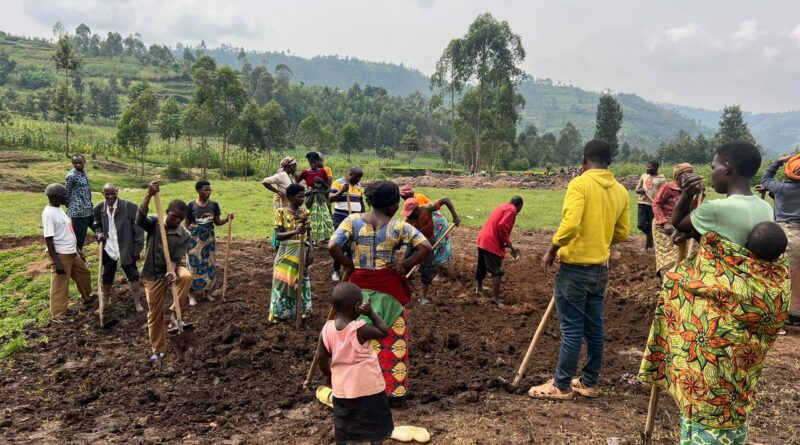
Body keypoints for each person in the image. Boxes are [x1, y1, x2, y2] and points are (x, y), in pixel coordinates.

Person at [639, 142, 784, 444]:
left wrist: (689, 194)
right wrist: (694, 230)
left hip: (716, 322)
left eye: (715, 166)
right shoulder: (763, 206)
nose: (712, 172)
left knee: (707, 394)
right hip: (745, 323)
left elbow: (677, 224)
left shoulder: (716, 209)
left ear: (727, 169)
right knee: (731, 393)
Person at [529, 139, 629, 401]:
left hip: (574, 270)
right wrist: (599, 240)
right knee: (594, 327)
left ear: (584, 160)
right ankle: (588, 382)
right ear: (609, 162)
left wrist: (552, 249)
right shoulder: (620, 190)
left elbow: (571, 224)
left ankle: (561, 385)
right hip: (600, 270)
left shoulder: (580, 183)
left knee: (572, 328)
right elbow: (622, 232)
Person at [329, 181, 432, 402]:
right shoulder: (399, 226)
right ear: (393, 206)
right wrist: (404, 265)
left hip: (357, 290)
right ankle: (392, 392)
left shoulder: (352, 221)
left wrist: (349, 263)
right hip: (389, 291)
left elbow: (332, 246)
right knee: (392, 339)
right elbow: (426, 246)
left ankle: (359, 388)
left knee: (358, 338)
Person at [317, 282, 394, 445]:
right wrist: (371, 313)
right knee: (375, 425)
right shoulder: (359, 328)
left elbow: (321, 358)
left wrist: (328, 375)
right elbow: (384, 331)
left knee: (345, 423)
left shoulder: (327, 329)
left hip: (343, 389)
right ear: (358, 306)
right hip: (369, 388)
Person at [136, 181, 192, 360]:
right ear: (167, 212)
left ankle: (175, 313)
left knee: (186, 276)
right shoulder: (155, 222)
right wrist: (149, 194)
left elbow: (176, 257)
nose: (177, 221)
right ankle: (158, 349)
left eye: (181, 219)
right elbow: (139, 219)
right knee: (155, 313)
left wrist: (173, 271)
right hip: (152, 275)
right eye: (174, 217)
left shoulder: (185, 234)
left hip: (170, 270)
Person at [759, 154, 800, 325]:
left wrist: (777, 162)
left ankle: (785, 313)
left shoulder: (780, 188)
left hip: (784, 234)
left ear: (788, 172)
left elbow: (766, 178)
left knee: (783, 274)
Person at [42, 183, 92, 322]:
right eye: (64, 194)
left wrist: (77, 249)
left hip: (71, 252)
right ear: (56, 197)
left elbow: (67, 232)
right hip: (61, 255)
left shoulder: (59, 209)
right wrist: (57, 263)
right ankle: (58, 315)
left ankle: (86, 298)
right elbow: (49, 240)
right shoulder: (49, 214)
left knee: (84, 274)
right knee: (60, 285)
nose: (67, 196)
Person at [93, 183, 145, 312]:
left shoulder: (130, 207)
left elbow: (138, 229)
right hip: (109, 247)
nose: (110, 196)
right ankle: (104, 303)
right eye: (107, 194)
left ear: (117, 192)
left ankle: (137, 301)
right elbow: (97, 224)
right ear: (102, 194)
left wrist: (137, 249)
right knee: (107, 275)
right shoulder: (99, 208)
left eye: (113, 193)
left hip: (126, 246)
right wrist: (98, 233)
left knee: (133, 274)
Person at [401, 196, 461, 304]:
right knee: (405, 264)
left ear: (416, 210)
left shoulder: (426, 208)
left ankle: (423, 297)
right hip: (413, 242)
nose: (409, 215)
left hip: (428, 242)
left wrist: (455, 216)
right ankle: (402, 289)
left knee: (426, 268)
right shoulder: (407, 221)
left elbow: (446, 200)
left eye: (410, 213)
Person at [270, 184, 313, 322]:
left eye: (304, 196)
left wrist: (311, 251)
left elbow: (309, 234)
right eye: (299, 196)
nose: (302, 199)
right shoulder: (281, 212)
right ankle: (280, 313)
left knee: (300, 281)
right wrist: (296, 232)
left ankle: (300, 312)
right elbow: (278, 236)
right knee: (283, 281)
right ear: (290, 197)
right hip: (286, 251)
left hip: (302, 250)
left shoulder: (305, 213)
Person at [185, 180, 233, 306]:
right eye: (205, 190)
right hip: (195, 241)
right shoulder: (191, 206)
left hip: (209, 241)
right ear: (198, 191)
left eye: (209, 190)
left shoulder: (214, 205)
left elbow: (217, 222)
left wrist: (227, 220)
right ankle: (191, 294)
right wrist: (186, 242)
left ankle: (207, 293)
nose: (208, 192)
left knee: (209, 265)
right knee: (193, 266)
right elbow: (186, 225)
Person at [651, 163, 699, 276]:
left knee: (681, 256)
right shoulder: (668, 187)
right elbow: (656, 204)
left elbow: (695, 208)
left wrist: (699, 194)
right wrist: (664, 223)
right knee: (668, 256)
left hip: (681, 225)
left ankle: (677, 278)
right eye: (684, 174)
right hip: (663, 226)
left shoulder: (692, 190)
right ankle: (667, 277)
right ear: (677, 177)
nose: (688, 176)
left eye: (690, 174)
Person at [475, 197, 523, 307]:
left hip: (483, 238)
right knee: (496, 271)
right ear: (519, 206)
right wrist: (506, 242)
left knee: (481, 266)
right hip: (491, 241)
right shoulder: (512, 210)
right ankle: (495, 299)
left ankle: (479, 288)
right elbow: (502, 226)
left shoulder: (502, 206)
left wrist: (506, 242)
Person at [400, 185, 453, 281]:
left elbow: (445, 200)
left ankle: (438, 273)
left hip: (436, 223)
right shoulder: (409, 212)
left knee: (436, 248)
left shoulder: (420, 205)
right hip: (422, 229)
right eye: (401, 196)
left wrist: (455, 217)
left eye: (403, 196)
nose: (402, 198)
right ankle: (407, 275)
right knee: (409, 254)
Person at [329, 167, 365, 282]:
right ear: (349, 175)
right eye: (355, 177)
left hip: (357, 219)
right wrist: (342, 191)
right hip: (341, 218)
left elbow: (360, 201)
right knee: (340, 245)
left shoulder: (359, 185)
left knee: (354, 244)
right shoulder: (338, 183)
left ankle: (349, 270)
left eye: (359, 178)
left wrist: (363, 216)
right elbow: (330, 199)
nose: (357, 180)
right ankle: (335, 270)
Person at [299, 152, 334, 244]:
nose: (313, 164)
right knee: (311, 219)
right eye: (311, 163)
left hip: (321, 198)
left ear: (318, 162)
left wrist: (322, 181)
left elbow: (327, 187)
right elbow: (296, 181)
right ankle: (311, 239)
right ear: (309, 163)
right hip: (310, 199)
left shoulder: (322, 172)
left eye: (315, 162)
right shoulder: (305, 172)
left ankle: (324, 237)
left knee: (325, 218)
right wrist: (306, 191)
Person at [262, 157, 298, 247]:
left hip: (289, 202)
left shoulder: (290, 176)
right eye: (294, 166)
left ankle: (288, 240)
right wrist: (278, 192)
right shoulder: (281, 175)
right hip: (281, 202)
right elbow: (265, 181)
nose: (295, 168)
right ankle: (278, 243)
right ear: (288, 167)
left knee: (288, 222)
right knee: (281, 222)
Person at [635, 160, 667, 251]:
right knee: (641, 225)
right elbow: (637, 189)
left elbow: (664, 193)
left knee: (650, 225)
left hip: (653, 205)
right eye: (647, 167)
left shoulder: (662, 179)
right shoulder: (644, 176)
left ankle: (647, 246)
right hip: (642, 203)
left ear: (656, 168)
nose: (647, 169)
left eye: (649, 167)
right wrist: (640, 191)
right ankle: (651, 238)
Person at [64, 154, 94, 251]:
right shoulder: (71, 176)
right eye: (75, 163)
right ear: (72, 163)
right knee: (79, 237)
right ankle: (77, 258)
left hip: (88, 208)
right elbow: (67, 192)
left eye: (80, 162)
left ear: (84, 162)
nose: (78, 165)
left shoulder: (84, 172)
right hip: (78, 211)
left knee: (95, 229)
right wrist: (69, 206)